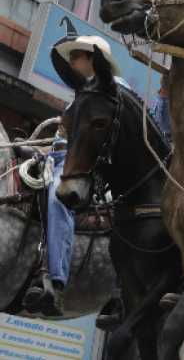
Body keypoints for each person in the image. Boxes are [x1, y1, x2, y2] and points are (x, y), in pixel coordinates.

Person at [23, 36, 126, 317]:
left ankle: (54, 281)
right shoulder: (80, 95)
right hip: (55, 159)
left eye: (75, 57)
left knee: (59, 199)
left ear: (92, 59)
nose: (70, 63)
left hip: (81, 168)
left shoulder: (116, 92)